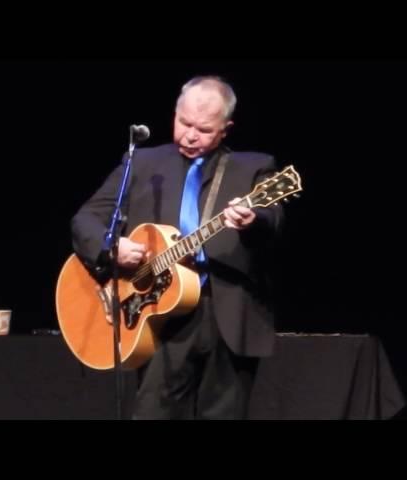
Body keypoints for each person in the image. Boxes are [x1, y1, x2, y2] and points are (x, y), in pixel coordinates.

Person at [70, 75, 284, 419]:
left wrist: (252, 221)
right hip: (158, 313)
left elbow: (272, 221)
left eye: (204, 130)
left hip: (224, 315)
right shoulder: (141, 164)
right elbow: (86, 220)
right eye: (183, 123)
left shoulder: (254, 167)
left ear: (225, 129)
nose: (190, 135)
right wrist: (113, 249)